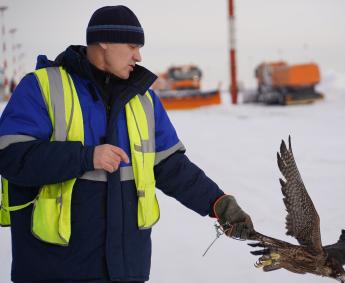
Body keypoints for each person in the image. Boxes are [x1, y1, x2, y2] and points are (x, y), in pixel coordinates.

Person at [0, 5, 253, 283]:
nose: (139, 56)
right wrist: (86, 157)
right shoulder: (42, 87)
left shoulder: (144, 99)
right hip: (53, 269)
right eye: (132, 45)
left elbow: (170, 165)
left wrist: (217, 202)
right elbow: (11, 157)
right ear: (104, 42)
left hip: (125, 269)